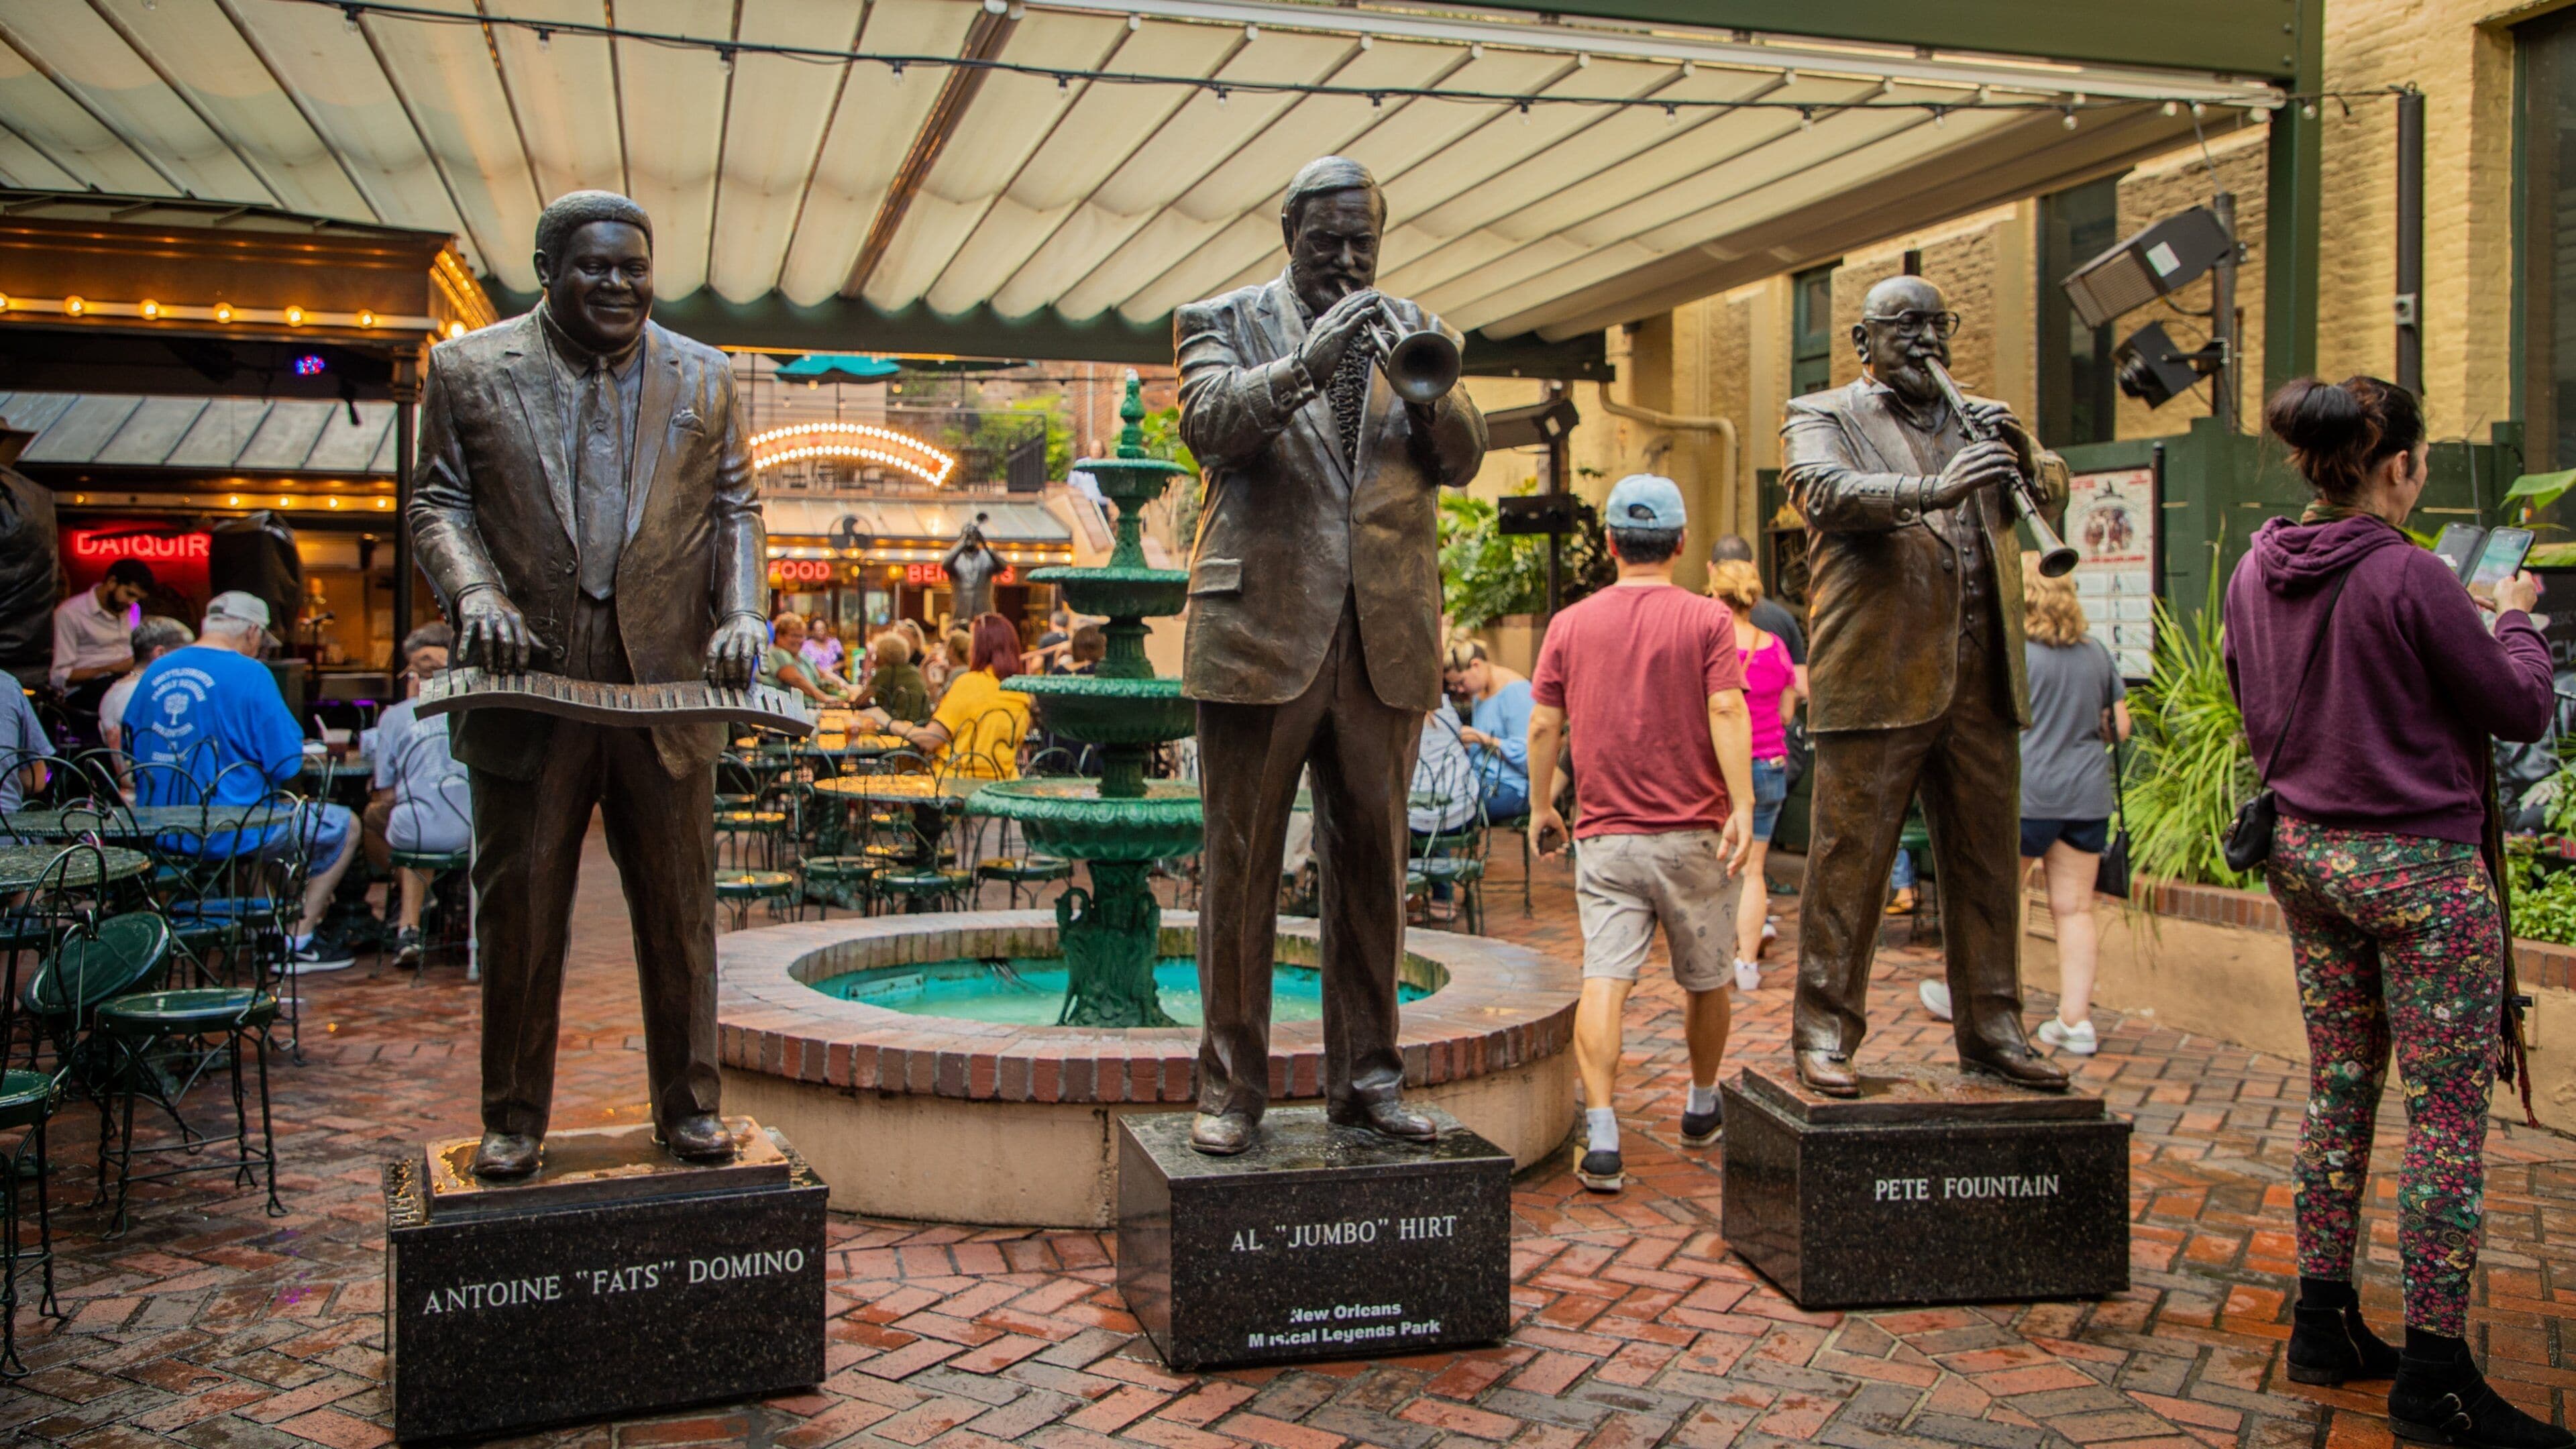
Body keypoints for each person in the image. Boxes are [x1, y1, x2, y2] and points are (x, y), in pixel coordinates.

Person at [2226, 375, 2561, 1446]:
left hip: (2310, 863)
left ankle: (2322, 1324)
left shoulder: (2254, 567)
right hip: (2419, 879)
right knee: (2448, 1124)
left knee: (2339, 1090)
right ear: (2399, 465)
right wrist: (2513, 627)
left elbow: (2252, 693)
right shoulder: (2412, 576)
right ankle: (2433, 1374)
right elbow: (2517, 709)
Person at [410, 188, 769, 1179]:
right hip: (531, 688)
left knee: (682, 912)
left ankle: (693, 1106)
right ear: (547, 271)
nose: (618, 282)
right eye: (595, 266)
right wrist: (475, 591)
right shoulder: (468, 367)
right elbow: (436, 503)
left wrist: (744, 611)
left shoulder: (706, 373)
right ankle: (513, 1119)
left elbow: (739, 508)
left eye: (633, 267)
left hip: (667, 691)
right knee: (521, 913)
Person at [1177, 154, 1487, 1156]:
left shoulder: (1415, 325)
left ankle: (1369, 1084)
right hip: (1259, 635)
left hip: (1384, 640)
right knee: (1240, 870)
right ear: (1287, 234)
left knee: (1373, 872)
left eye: (1364, 240)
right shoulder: (1219, 319)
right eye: (1328, 241)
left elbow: (1466, 458)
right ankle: (1232, 1092)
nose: (1349, 258)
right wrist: (1312, 359)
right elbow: (1210, 422)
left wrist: (1428, 389)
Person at [1780, 274, 2068, 1096]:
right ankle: (1825, 1031)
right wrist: (1931, 490)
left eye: (1937, 326)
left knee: (1986, 867)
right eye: (1904, 328)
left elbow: (2051, 496)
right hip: (1878, 676)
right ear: (1864, 342)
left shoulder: (1983, 418)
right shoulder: (1824, 414)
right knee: (1849, 867)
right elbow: (1826, 491)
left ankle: (1996, 1029)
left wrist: (2031, 459)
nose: (1926, 342)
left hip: (1982, 680)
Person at [1527, 476, 1752, 1193]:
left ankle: (1601, 1134)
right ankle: (1700, 1101)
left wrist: (1540, 807)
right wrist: (1742, 803)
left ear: (1612, 544)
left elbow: (1541, 723)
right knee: (1708, 977)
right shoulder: (1709, 620)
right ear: (1682, 544)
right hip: (1695, 834)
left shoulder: (1570, 623)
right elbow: (1725, 707)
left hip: (1606, 835)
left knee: (1605, 977)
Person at [125, 592, 362, 971]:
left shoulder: (156, 671)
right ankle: (295, 940)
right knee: (345, 826)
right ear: (253, 630)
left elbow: (130, 749)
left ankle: (263, 926)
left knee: (270, 821)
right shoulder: (250, 673)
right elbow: (286, 764)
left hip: (162, 828)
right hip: (231, 830)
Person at [2015, 559, 2130, 1055]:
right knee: (2075, 908)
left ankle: (1979, 1001)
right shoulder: (2095, 652)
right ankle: (2075, 1020)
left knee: (1999, 902)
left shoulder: (2017, 655)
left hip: (2027, 795)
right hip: (2085, 797)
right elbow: (2119, 728)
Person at [1708, 559, 1801, 990]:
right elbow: (1786, 711)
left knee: (1716, 864)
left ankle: (1713, 959)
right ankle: (1747, 965)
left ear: (1716, 594)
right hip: (1769, 766)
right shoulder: (1774, 646)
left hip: (1723, 769)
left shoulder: (1711, 645)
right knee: (1754, 870)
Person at [368, 623, 470, 969]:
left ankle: (409, 926)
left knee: (389, 822)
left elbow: (385, 792)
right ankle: (436, 901)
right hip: (473, 831)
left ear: (414, 677)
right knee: (427, 817)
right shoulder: (473, 708)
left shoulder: (396, 717)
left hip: (420, 830)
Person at [892, 612, 1030, 778]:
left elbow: (930, 739)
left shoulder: (970, 683)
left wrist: (888, 722)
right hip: (1001, 785)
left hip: (956, 785)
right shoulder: (1019, 692)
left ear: (980, 647)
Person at [52, 559, 153, 743]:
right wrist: (112, 667)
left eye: (137, 598)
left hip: (125, 682)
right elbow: (60, 676)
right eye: (129, 594)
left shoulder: (131, 609)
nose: (131, 602)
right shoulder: (70, 613)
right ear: (112, 582)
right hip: (86, 691)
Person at [1444, 643, 1532, 820]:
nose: (1460, 690)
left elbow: (1530, 756)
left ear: (1475, 665)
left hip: (1512, 787)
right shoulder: (1480, 692)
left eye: (1461, 682)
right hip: (1480, 779)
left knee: (1447, 808)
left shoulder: (1517, 691)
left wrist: (1480, 738)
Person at [99, 614, 195, 757]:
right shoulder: (140, 693)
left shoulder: (119, 689)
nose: (188, 662)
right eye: (183, 654)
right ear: (160, 653)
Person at [1708, 536, 1807, 665]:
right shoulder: (1782, 620)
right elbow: (1801, 681)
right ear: (1753, 567)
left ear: (1711, 569)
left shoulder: (1695, 619)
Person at [850, 630, 932, 726]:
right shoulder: (913, 670)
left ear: (884, 656)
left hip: (899, 723)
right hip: (920, 723)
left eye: (877, 654)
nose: (875, 659)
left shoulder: (886, 672)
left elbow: (861, 700)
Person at [760, 613, 839, 704]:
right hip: (782, 713)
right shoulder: (775, 653)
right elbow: (797, 681)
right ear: (779, 636)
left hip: (808, 710)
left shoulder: (801, 656)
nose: (799, 640)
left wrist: (845, 686)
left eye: (801, 636)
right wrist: (824, 698)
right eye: (794, 636)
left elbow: (822, 673)